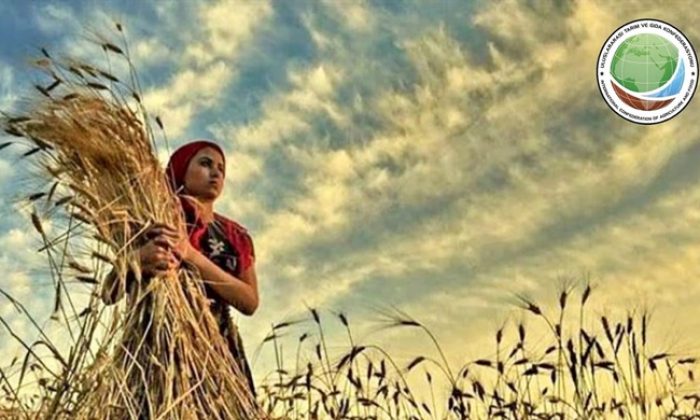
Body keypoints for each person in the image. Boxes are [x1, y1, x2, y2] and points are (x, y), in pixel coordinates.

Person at [101, 139, 259, 396]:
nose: (216, 172)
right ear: (181, 168)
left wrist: (190, 254)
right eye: (205, 163)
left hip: (219, 353)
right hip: (156, 350)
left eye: (221, 168)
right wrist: (137, 259)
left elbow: (249, 302)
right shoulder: (150, 215)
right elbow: (108, 294)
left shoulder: (235, 235)